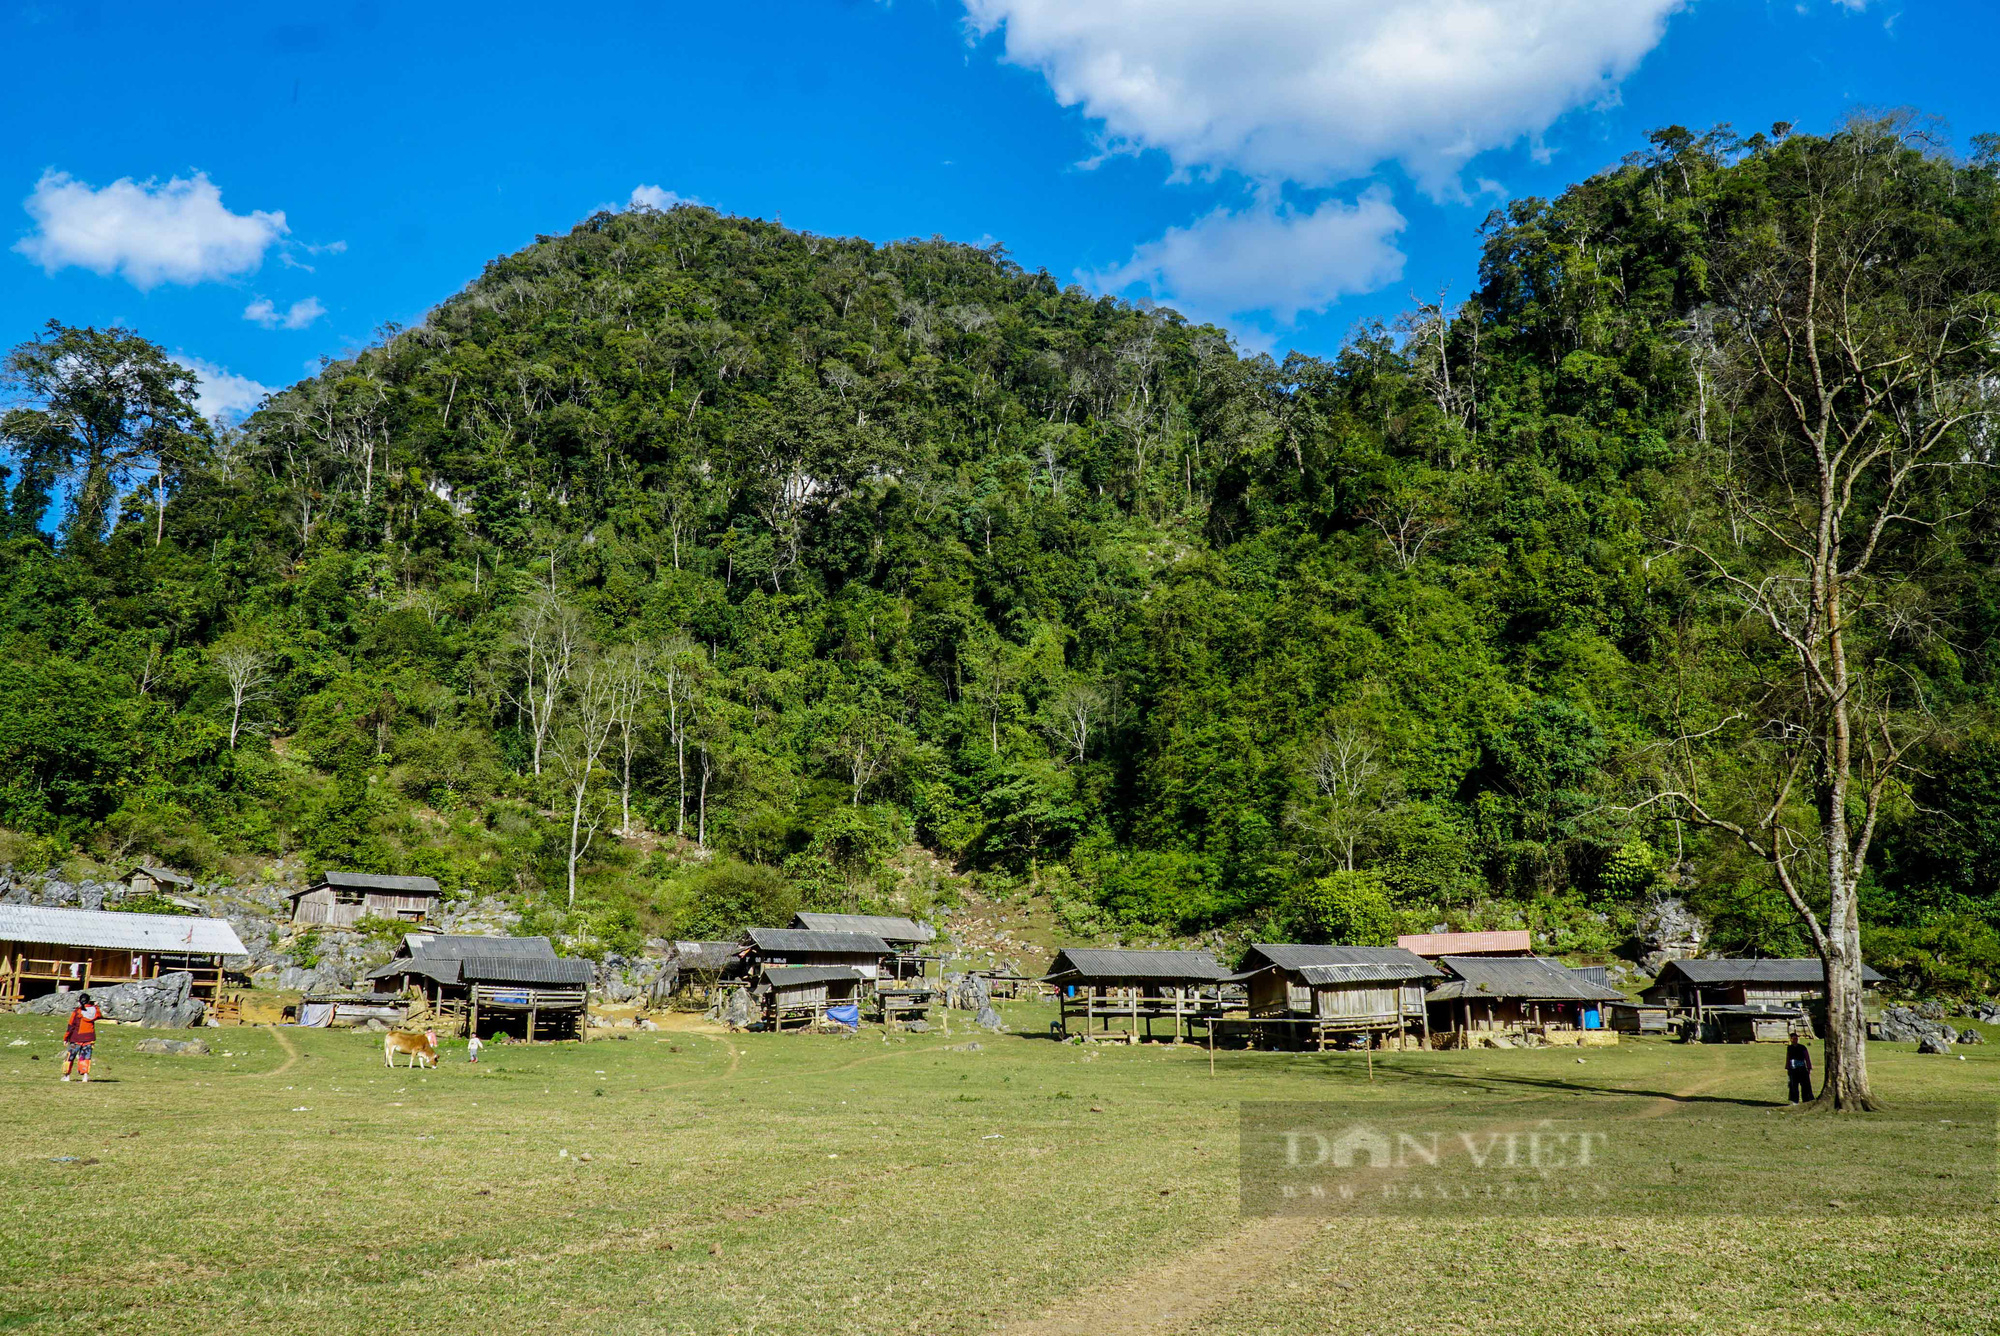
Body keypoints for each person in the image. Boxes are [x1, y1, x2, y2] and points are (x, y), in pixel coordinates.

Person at [62, 992, 101, 1083]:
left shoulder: (77, 1012)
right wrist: (95, 1006)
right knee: (85, 1057)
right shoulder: (94, 1010)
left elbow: (70, 1026)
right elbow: (98, 1015)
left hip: (76, 1039)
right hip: (89, 1039)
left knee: (70, 1057)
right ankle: (85, 1077)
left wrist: (66, 1038)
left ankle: (67, 1076)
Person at [1785, 1034, 1814, 1104]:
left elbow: (1807, 1057)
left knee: (1805, 1085)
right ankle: (1794, 1100)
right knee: (1793, 1085)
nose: (1795, 1040)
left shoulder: (1802, 1047)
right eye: (1793, 1039)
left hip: (1802, 1068)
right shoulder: (1789, 1048)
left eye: (1796, 1038)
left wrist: (1809, 1067)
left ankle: (1807, 1100)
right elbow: (1788, 1057)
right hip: (1793, 1069)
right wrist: (1788, 1067)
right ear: (1791, 1039)